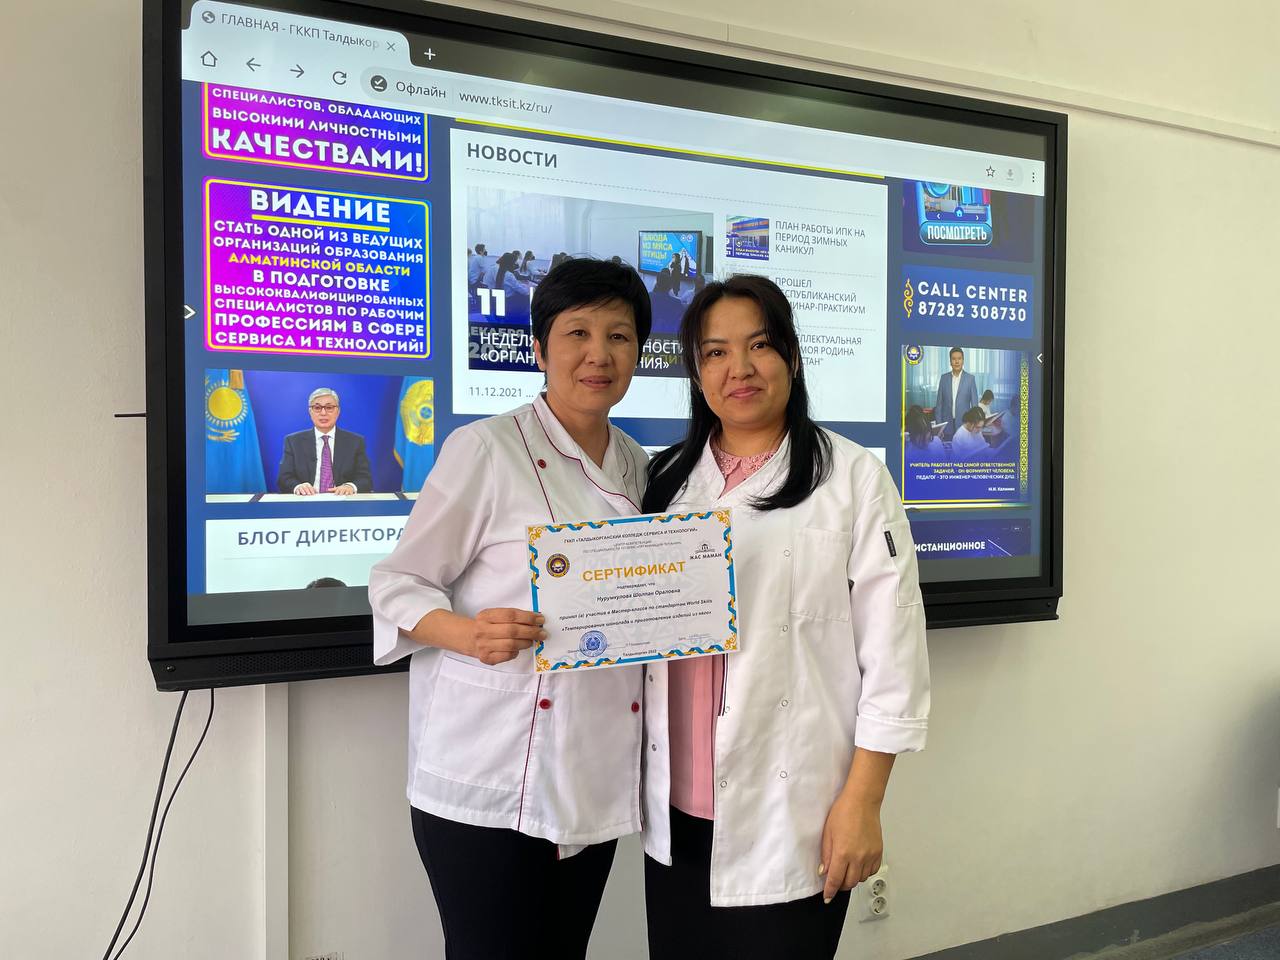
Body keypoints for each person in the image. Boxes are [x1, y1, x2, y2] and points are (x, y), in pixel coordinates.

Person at [367, 258, 653, 960]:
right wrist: (466, 633)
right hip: (488, 774)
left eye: (619, 336)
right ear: (539, 348)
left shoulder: (640, 466)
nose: (599, 354)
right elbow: (397, 582)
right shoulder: (486, 449)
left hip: (587, 772)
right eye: (578, 332)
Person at [640, 275, 930, 959]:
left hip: (794, 810)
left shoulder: (853, 478)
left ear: (792, 359)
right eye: (715, 353)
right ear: (696, 374)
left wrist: (863, 803)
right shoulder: (664, 480)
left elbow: (895, 658)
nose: (738, 368)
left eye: (760, 345)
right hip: (678, 812)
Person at [276, 388, 372, 495]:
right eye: (317, 408)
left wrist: (350, 486)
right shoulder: (293, 441)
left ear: (338, 411)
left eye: (329, 407)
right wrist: (298, 486)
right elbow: (284, 478)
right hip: (307, 499)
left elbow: (365, 479)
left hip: (342, 499)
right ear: (310, 412)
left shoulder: (355, 442)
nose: (323, 413)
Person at [933, 346, 978, 438]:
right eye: (953, 359)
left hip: (964, 425)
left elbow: (974, 406)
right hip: (946, 426)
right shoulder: (944, 378)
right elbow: (939, 405)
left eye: (959, 358)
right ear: (950, 361)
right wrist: (939, 427)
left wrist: (973, 426)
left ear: (963, 360)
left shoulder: (970, 379)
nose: (957, 361)